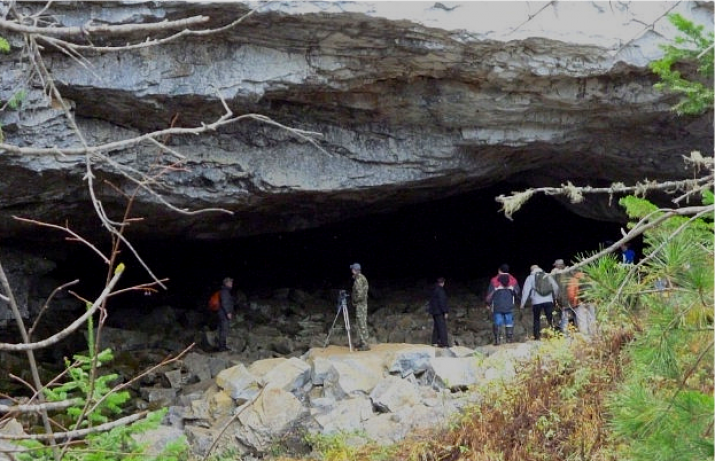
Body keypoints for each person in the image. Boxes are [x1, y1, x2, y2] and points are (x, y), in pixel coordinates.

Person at [520, 264, 559, 340]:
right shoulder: (547, 275)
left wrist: (522, 304)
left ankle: (537, 336)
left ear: (531, 270)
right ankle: (553, 335)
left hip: (536, 301)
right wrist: (556, 297)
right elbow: (556, 287)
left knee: (536, 319)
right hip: (548, 300)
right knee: (550, 318)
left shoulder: (530, 277)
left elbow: (525, 291)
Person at [486, 264, 521, 345]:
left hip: (498, 305)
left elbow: (490, 293)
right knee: (509, 321)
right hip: (509, 305)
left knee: (497, 322)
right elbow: (517, 292)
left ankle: (497, 341)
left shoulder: (494, 280)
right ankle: (509, 340)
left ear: (499, 270)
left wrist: (488, 303)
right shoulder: (513, 280)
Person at [567, 270, 597, 336]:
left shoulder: (573, 280)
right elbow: (595, 289)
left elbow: (571, 295)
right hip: (591, 301)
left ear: (573, 272)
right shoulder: (588, 278)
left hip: (580, 303)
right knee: (592, 319)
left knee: (582, 322)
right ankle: (595, 336)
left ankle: (586, 339)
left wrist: (573, 303)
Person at [551, 259, 575, 333]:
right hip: (572, 297)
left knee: (564, 314)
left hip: (564, 298)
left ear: (559, 265)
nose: (555, 267)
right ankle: (572, 329)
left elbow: (557, 287)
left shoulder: (558, 274)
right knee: (572, 313)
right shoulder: (570, 271)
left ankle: (564, 331)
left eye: (556, 265)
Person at [350, 263, 370, 351]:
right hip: (362, 305)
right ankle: (361, 342)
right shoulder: (361, 278)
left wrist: (355, 301)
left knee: (361, 324)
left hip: (361, 305)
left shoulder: (359, 280)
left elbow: (360, 294)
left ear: (355, 270)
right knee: (359, 323)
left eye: (352, 269)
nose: (351, 271)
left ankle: (365, 344)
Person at [428, 277, 450, 348]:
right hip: (439, 311)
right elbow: (442, 302)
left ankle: (434, 342)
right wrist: (445, 311)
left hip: (434, 311)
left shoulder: (433, 290)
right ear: (443, 283)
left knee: (436, 327)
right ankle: (444, 344)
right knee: (442, 327)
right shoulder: (441, 291)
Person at [217, 277, 235, 352]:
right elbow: (225, 302)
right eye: (230, 282)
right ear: (226, 283)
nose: (232, 284)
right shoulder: (224, 292)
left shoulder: (225, 291)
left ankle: (222, 346)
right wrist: (228, 312)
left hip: (222, 313)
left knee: (223, 330)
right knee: (224, 330)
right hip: (223, 314)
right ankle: (222, 347)